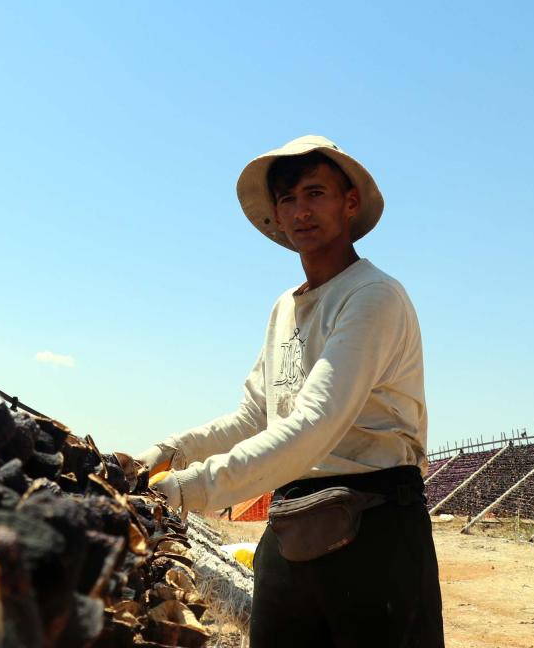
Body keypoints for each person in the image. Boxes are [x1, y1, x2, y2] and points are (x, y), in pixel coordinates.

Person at [134, 135, 444, 647]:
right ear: (276, 214)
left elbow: (314, 423)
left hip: (373, 528)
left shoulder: (372, 295)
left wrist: (189, 489)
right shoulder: (284, 307)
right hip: (291, 521)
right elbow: (255, 415)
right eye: (287, 199)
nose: (300, 211)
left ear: (350, 203)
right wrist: (169, 452)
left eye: (315, 193)